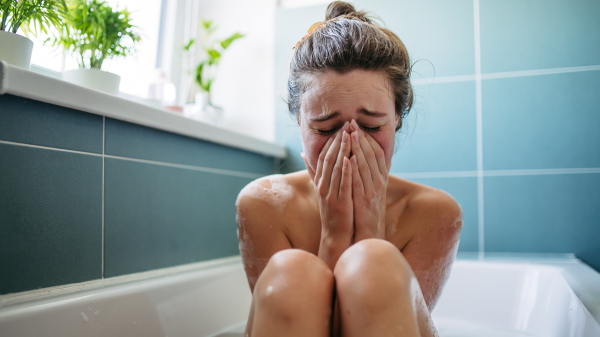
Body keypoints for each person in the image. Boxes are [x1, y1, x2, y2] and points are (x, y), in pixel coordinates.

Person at [236, 2, 462, 336]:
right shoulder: (263, 205)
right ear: (299, 121)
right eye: (326, 129)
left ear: (396, 118)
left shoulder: (434, 214)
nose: (350, 145)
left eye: (371, 126)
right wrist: (335, 234)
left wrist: (370, 234)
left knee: (374, 263)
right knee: (293, 271)